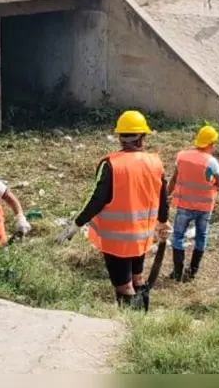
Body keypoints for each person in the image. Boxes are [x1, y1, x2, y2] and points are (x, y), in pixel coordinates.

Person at [55, 110, 170, 309]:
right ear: (142, 137)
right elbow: (163, 196)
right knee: (138, 278)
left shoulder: (111, 164)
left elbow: (96, 199)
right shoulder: (155, 163)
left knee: (124, 286)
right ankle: (143, 319)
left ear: (120, 137)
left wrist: (76, 224)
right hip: (142, 237)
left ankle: (130, 323)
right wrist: (163, 221)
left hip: (117, 240)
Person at [168, 125, 219, 283]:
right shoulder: (211, 162)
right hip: (204, 208)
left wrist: (166, 194)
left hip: (184, 205)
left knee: (178, 236)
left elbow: (174, 178)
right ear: (210, 144)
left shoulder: (182, 156)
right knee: (201, 236)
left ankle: (177, 273)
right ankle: (192, 272)